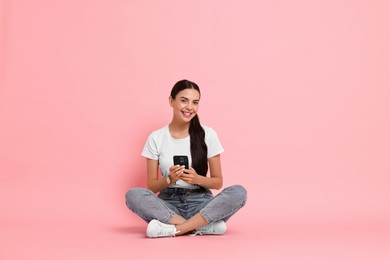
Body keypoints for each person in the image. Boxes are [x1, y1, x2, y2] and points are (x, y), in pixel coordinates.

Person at [125, 79, 247, 238]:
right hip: (169, 205)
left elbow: (218, 182)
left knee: (239, 192)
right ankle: (202, 226)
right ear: (171, 101)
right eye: (184, 100)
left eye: (195, 102)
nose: (190, 107)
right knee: (133, 195)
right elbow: (152, 187)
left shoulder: (208, 135)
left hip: (201, 203)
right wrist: (169, 179)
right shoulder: (156, 138)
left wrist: (197, 179)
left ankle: (175, 229)